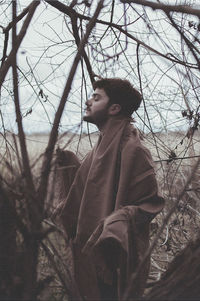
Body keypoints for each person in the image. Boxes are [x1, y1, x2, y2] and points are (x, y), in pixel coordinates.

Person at [55, 78, 164, 300]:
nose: (88, 102)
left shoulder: (134, 151)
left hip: (114, 259)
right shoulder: (98, 149)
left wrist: (117, 222)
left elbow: (149, 203)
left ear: (114, 108)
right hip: (88, 256)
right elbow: (92, 192)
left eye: (96, 98)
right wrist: (67, 166)